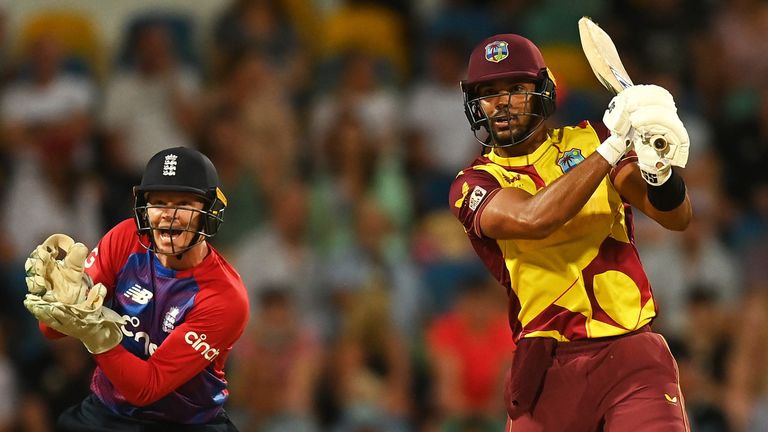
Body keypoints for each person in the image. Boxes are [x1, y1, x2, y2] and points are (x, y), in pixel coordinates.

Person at [449, 34, 693, 431]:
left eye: (515, 87)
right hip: (545, 367)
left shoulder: (591, 140)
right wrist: (614, 147)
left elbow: (676, 216)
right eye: (489, 92)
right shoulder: (472, 183)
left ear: (542, 91)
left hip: (630, 354)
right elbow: (534, 218)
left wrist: (659, 171)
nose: (502, 102)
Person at [23, 146, 249, 431]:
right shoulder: (125, 238)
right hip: (107, 411)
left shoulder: (225, 297)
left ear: (209, 211)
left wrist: (94, 332)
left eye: (184, 203)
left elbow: (146, 389)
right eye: (159, 203)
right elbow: (52, 330)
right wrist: (59, 301)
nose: (169, 215)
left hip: (187, 424)